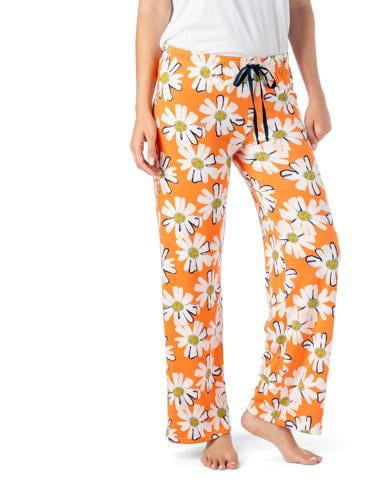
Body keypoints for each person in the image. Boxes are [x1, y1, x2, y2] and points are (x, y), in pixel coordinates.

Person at [130, 0, 340, 470]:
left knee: (315, 247)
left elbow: (299, 6)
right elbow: (153, 8)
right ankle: (207, 424)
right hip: (191, 89)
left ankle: (274, 408)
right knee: (190, 266)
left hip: (272, 88)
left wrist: (315, 90)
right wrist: (142, 108)